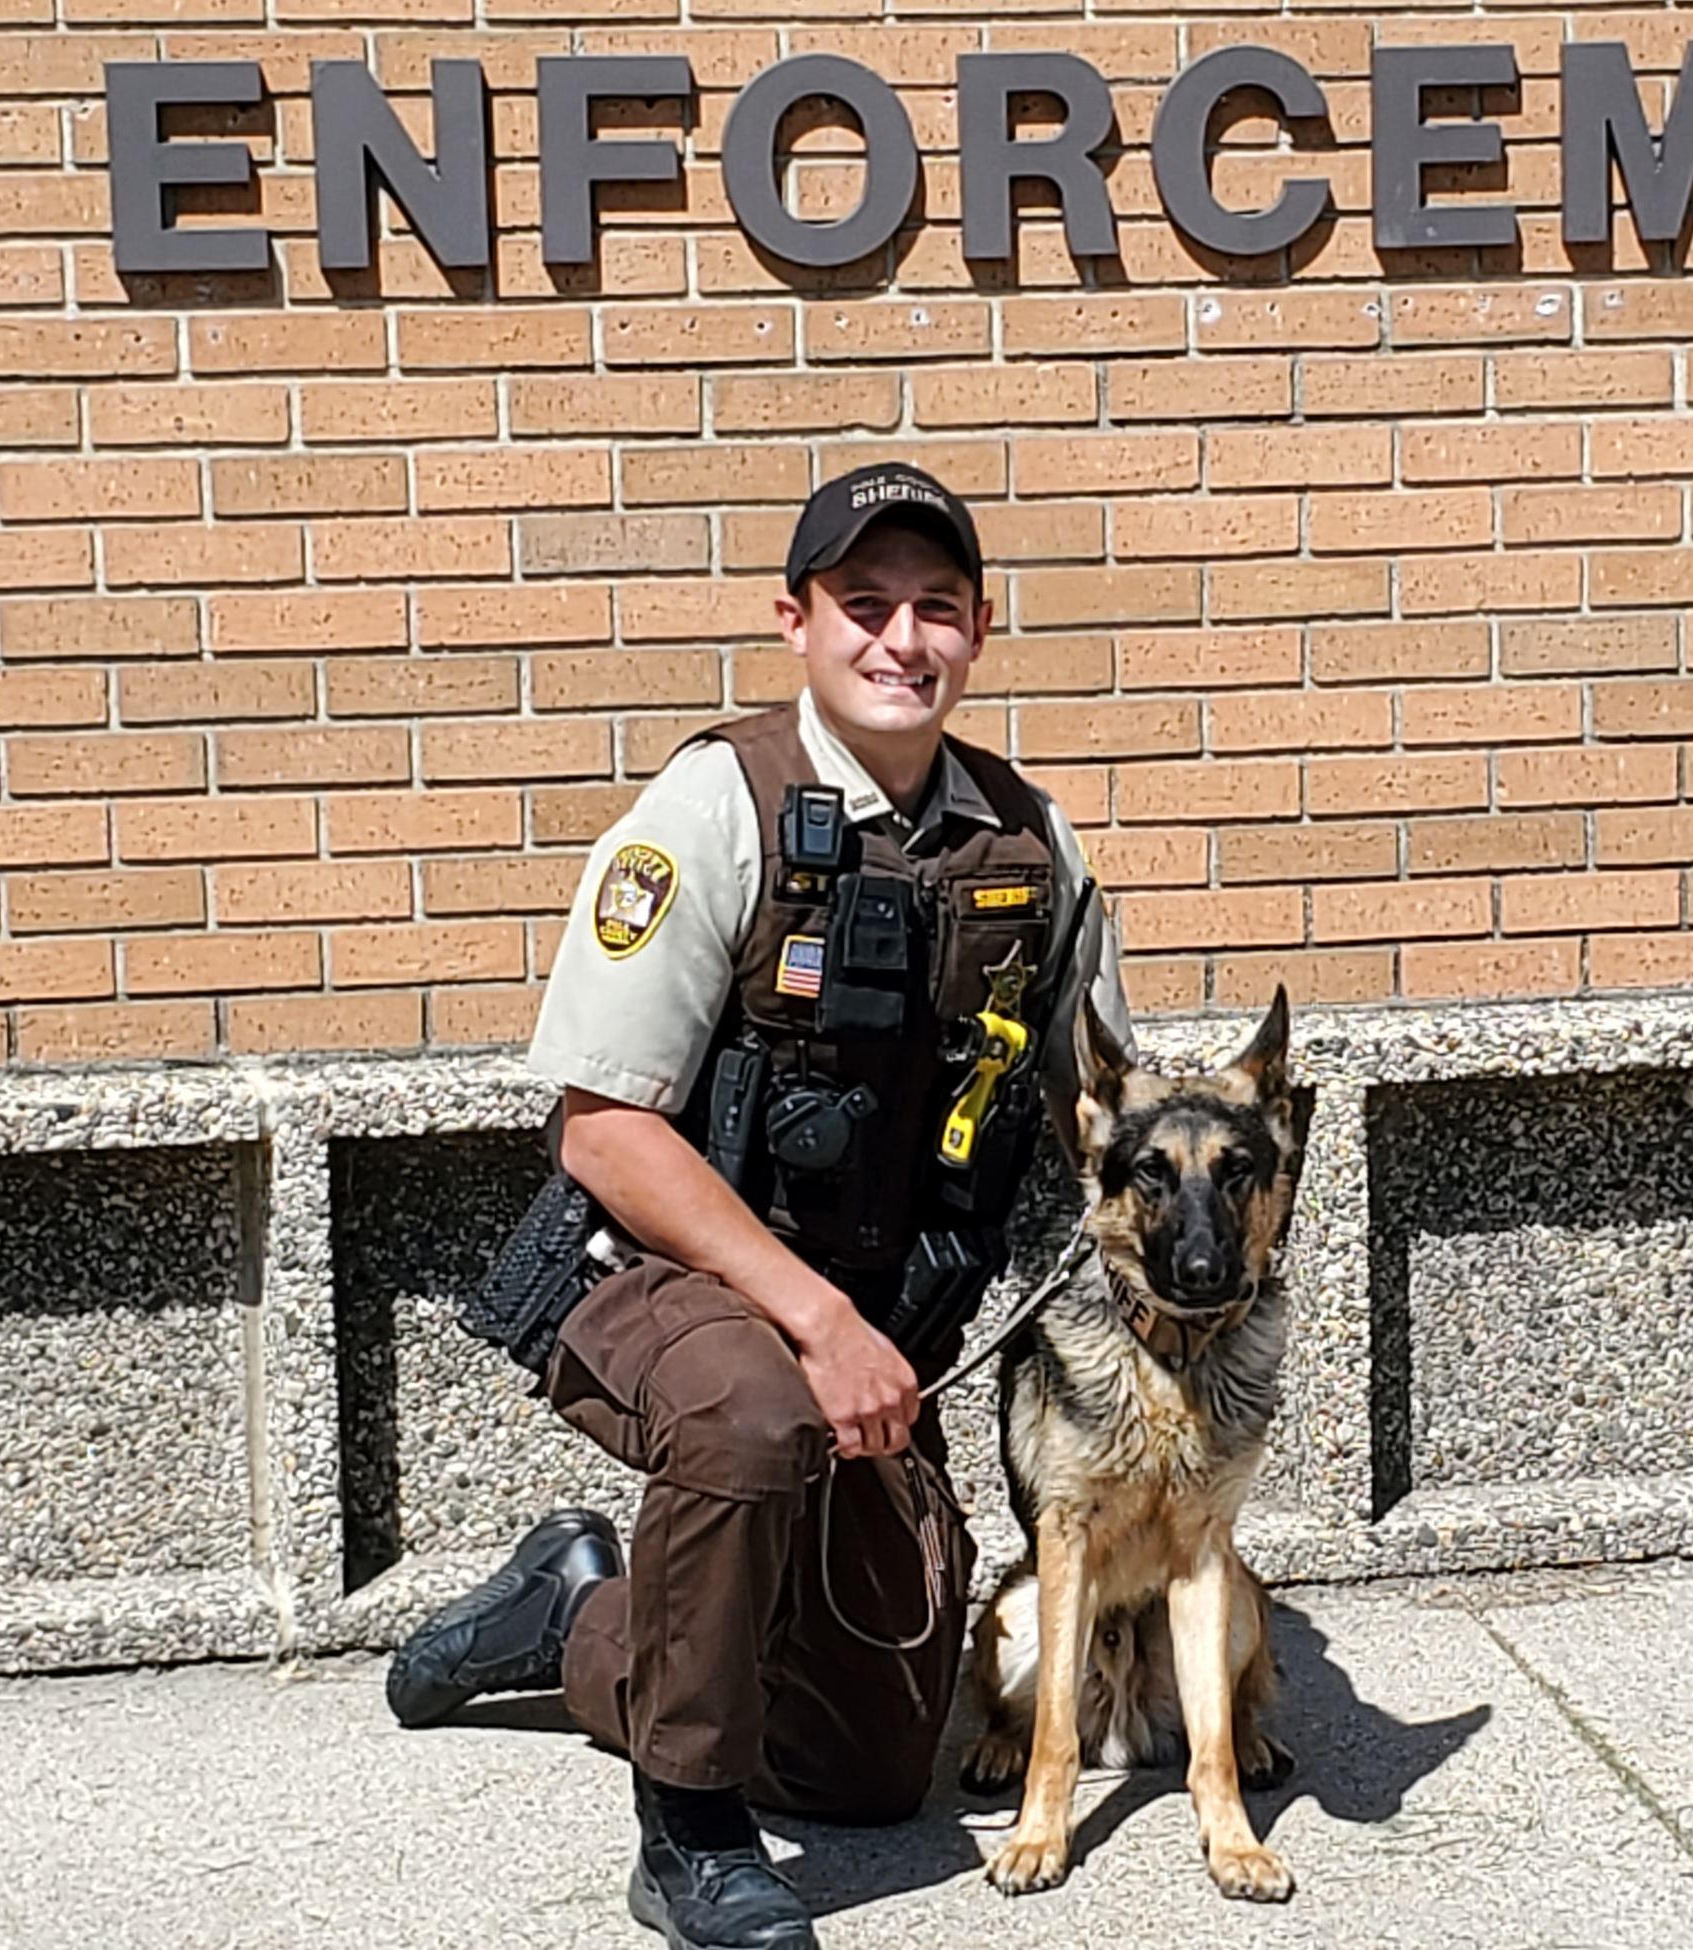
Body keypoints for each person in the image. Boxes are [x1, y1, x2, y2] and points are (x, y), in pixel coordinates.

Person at [386, 460, 1133, 1950]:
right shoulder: (715, 805)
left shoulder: (1030, 847)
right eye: (863, 605)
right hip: (655, 1274)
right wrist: (816, 1318)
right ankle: (689, 1838)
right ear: (794, 621)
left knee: (863, 1770)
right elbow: (604, 1132)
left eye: (935, 609)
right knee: (751, 1412)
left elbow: (1099, 1104)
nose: (899, 641)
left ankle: (576, 1612)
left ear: (980, 629)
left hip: (869, 1331)